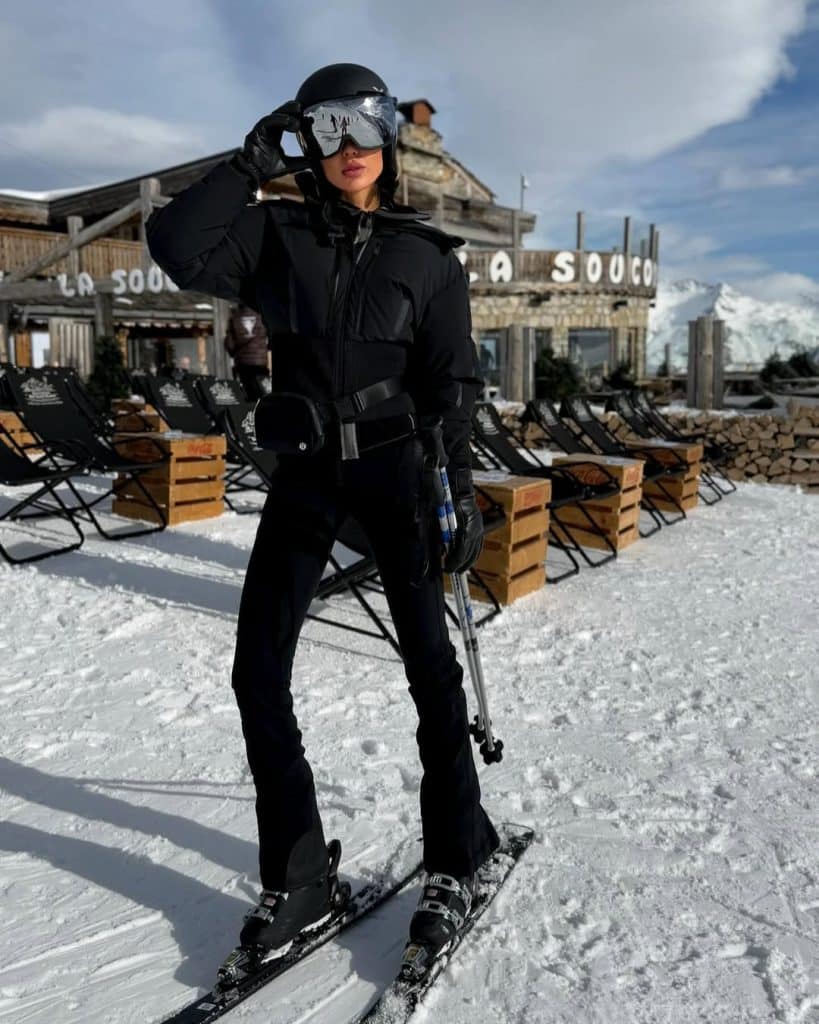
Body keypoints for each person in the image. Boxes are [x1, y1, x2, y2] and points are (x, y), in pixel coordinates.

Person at [146, 63, 498, 970]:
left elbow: (452, 384)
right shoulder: (273, 230)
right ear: (306, 137)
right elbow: (177, 248)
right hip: (305, 474)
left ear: (389, 135)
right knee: (256, 668)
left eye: (364, 124)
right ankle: (298, 870)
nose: (347, 146)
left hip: (395, 473)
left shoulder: (426, 255)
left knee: (428, 666)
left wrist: (455, 488)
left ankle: (457, 854)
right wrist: (243, 163)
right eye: (326, 127)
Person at [224, 303, 271, 399]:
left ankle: (250, 413)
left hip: (243, 365)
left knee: (247, 396)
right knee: (263, 394)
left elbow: (229, 344)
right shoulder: (261, 316)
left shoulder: (235, 317)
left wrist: (234, 353)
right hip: (260, 364)